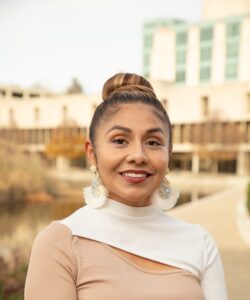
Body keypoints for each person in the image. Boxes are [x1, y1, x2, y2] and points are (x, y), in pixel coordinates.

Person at [24, 73, 228, 300]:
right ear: (92, 153)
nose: (138, 156)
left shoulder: (199, 243)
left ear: (168, 154)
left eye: (153, 142)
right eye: (120, 140)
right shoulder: (61, 242)